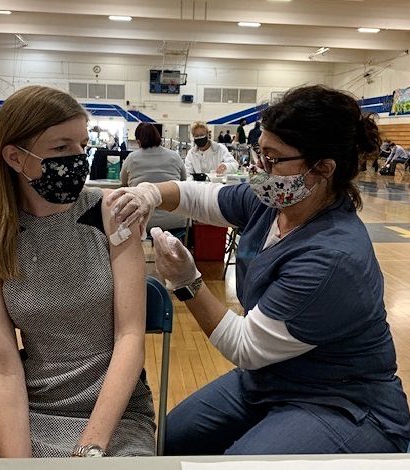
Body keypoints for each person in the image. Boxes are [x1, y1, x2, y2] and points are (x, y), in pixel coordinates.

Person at [107, 85, 410, 455]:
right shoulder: (273, 202)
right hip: (270, 378)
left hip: (340, 399)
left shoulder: (332, 258)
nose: (260, 167)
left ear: (323, 169)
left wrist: (188, 283)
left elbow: (246, 346)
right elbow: (200, 197)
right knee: (171, 441)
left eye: (273, 158)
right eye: (259, 153)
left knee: (236, 465)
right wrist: (150, 194)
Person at [0, 85, 155, 458]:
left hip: (114, 413)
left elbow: (130, 337)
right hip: (29, 409)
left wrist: (91, 447)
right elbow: (2, 366)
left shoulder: (113, 213)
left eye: (82, 146)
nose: (78, 159)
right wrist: (18, 463)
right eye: (61, 148)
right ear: (16, 158)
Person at [120, 122, 187, 232]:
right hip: (176, 222)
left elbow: (123, 182)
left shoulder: (132, 158)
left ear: (138, 141)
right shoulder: (175, 156)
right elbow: (183, 180)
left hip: (143, 223)